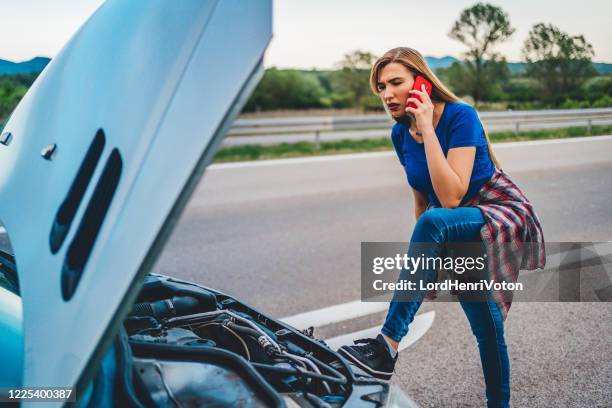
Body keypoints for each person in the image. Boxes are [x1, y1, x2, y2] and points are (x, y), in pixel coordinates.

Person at [338, 47, 545, 408]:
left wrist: (427, 128)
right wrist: (426, 261)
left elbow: (450, 197)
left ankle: (387, 344)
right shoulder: (400, 136)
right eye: (381, 87)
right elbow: (424, 203)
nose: (387, 94)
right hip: (451, 226)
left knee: (440, 226)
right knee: (486, 324)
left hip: (495, 211)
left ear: (422, 83)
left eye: (396, 83)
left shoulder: (461, 116)